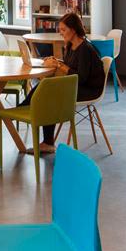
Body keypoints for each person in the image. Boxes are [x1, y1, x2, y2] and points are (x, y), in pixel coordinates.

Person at [18, 11, 104, 154]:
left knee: (49, 91)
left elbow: (81, 77)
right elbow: (70, 66)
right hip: (76, 85)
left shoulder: (85, 49)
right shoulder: (71, 45)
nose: (60, 33)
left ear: (73, 30)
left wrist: (59, 65)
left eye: (63, 30)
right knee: (47, 86)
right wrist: (56, 61)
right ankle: (28, 111)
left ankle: (27, 112)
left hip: (88, 90)